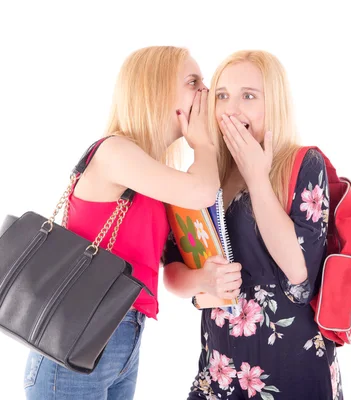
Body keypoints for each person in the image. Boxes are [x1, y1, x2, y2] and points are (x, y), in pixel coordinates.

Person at [24, 45, 224, 400]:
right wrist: (204, 145)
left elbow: (165, 270)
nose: (204, 92)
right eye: (193, 82)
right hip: (77, 339)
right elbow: (203, 191)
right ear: (155, 90)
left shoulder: (151, 175)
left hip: (122, 338)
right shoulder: (114, 152)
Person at [164, 50, 343, 400]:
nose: (231, 109)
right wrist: (202, 280)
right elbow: (172, 269)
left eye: (248, 96)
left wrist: (257, 177)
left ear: (272, 104)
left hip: (294, 369)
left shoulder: (304, 163)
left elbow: (298, 273)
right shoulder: (203, 176)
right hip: (220, 370)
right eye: (222, 95)